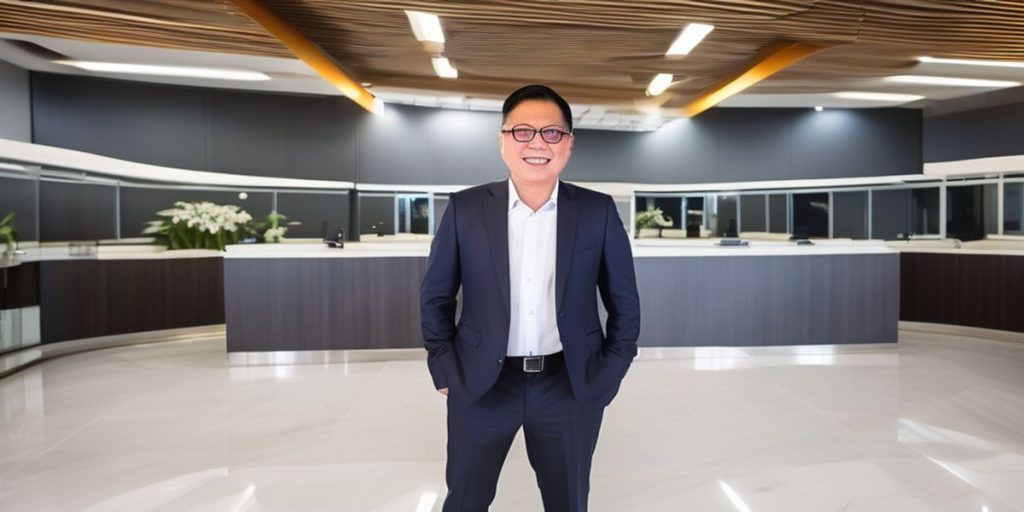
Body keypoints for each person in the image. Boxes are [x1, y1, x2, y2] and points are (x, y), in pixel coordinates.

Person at [420, 84, 641, 511]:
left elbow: (625, 302)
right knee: (465, 499)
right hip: (481, 383)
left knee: (568, 502)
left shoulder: (597, 211)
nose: (537, 143)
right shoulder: (466, 209)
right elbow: (435, 296)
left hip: (569, 383)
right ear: (502, 140)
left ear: (569, 144)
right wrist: (445, 367)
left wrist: (609, 372)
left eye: (551, 133)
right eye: (522, 131)